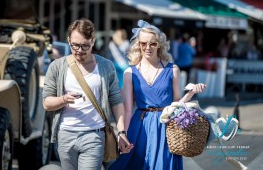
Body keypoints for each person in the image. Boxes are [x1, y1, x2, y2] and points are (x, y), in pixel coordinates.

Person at [109, 20, 206, 170]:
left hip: (165, 126)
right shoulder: (130, 73)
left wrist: (191, 92)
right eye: (143, 43)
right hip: (139, 127)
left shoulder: (173, 70)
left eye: (152, 43)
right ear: (138, 45)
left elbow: (177, 105)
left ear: (159, 44)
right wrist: (123, 135)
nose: (148, 48)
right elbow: (128, 110)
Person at [42, 18, 133, 170]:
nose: (79, 50)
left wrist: (121, 132)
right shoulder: (57, 67)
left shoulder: (105, 66)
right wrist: (64, 99)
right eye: (75, 45)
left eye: (85, 45)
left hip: (94, 134)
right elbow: (46, 103)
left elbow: (116, 101)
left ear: (93, 41)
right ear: (69, 40)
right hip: (65, 134)